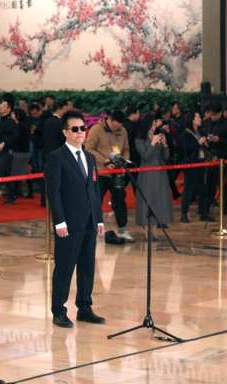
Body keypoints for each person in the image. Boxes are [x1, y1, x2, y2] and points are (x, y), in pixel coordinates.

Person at [45, 110, 105, 328]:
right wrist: (59, 222)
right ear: (65, 132)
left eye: (83, 128)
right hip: (68, 224)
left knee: (87, 267)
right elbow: (54, 192)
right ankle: (59, 311)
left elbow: (94, 189)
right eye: (75, 129)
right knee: (65, 268)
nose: (81, 132)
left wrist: (98, 218)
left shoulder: (89, 157)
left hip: (89, 222)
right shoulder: (57, 157)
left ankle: (84, 307)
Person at [84, 110, 135, 243]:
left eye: (118, 127)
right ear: (109, 119)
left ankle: (122, 229)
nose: (116, 129)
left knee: (120, 201)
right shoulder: (96, 129)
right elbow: (89, 149)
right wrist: (105, 161)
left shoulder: (123, 131)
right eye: (114, 126)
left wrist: (124, 162)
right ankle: (92, 229)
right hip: (101, 172)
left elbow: (126, 149)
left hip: (117, 173)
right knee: (96, 201)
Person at [135, 115, 173, 240]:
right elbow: (145, 156)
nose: (153, 128)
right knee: (148, 199)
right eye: (151, 125)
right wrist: (153, 142)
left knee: (159, 199)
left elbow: (166, 157)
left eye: (155, 125)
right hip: (147, 172)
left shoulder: (158, 137)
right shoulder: (139, 140)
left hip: (160, 171)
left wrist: (165, 144)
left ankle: (155, 231)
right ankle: (146, 230)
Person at [180, 111, 214, 223]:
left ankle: (203, 213)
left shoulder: (200, 131)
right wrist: (198, 143)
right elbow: (185, 149)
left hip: (201, 163)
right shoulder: (186, 133)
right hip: (191, 164)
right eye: (198, 117)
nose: (200, 119)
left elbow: (202, 148)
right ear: (192, 120)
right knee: (189, 189)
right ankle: (184, 213)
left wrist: (206, 145)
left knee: (202, 189)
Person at [202, 102, 227, 214]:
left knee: (221, 182)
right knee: (208, 182)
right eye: (211, 115)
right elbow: (201, 136)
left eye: (215, 114)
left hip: (220, 156)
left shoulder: (226, 124)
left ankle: (224, 207)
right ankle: (207, 205)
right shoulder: (206, 123)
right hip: (208, 156)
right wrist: (205, 142)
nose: (213, 117)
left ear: (221, 113)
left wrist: (219, 140)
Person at [11, 108, 34, 198]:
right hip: (25, 151)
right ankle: (30, 192)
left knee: (16, 172)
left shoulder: (19, 126)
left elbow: (16, 139)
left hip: (20, 152)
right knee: (26, 171)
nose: (12, 116)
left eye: (13, 114)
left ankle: (16, 192)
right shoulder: (25, 125)